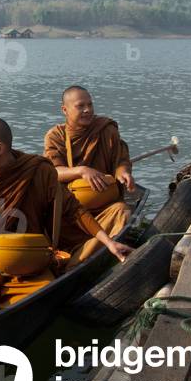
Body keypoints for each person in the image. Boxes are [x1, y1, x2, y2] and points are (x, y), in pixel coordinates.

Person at [0, 118, 132, 310]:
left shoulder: (37, 171)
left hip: (24, 265)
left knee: (44, 290)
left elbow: (74, 210)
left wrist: (110, 243)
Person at [44, 86, 133, 261]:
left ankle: (88, 255)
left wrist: (124, 173)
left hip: (104, 206)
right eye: (80, 106)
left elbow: (121, 160)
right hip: (71, 212)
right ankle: (92, 252)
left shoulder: (106, 130)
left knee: (123, 211)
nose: (87, 110)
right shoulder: (55, 136)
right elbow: (53, 172)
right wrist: (82, 171)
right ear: (65, 110)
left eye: (90, 105)